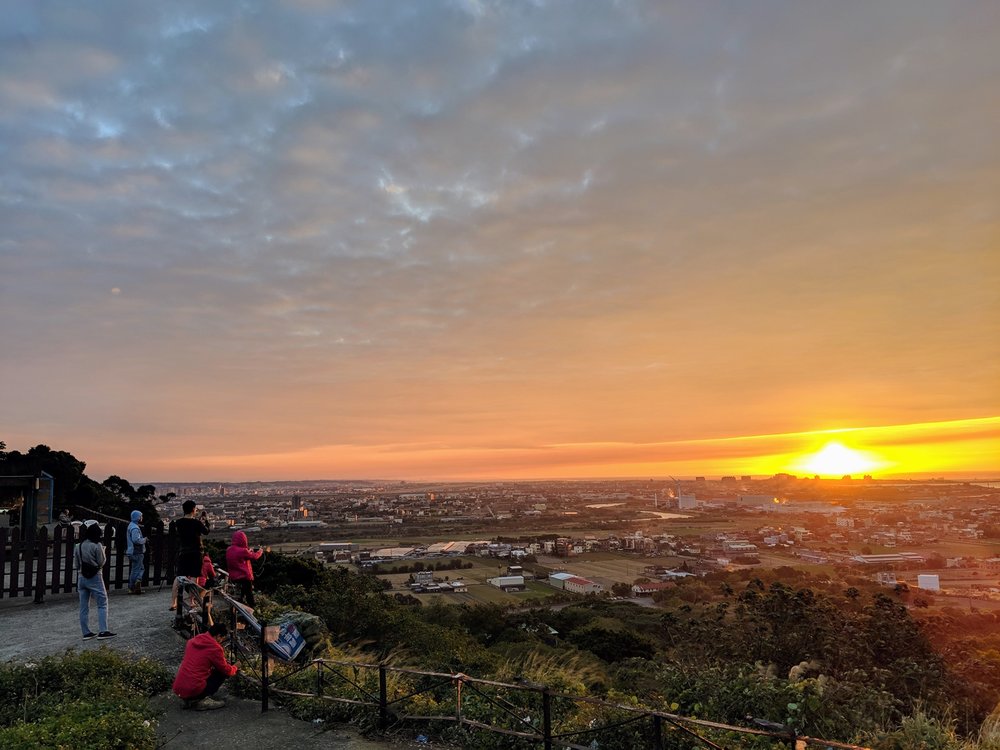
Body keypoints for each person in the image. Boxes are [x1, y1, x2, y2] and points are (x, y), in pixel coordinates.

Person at [172, 622, 238, 711]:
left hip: (179, 688)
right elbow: (226, 670)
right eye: (222, 638)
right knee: (222, 673)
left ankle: (188, 700)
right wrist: (235, 667)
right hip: (194, 689)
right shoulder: (215, 648)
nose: (221, 641)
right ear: (218, 636)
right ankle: (199, 700)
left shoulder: (192, 641)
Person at [75, 521, 116, 640]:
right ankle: (103, 631)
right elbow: (101, 562)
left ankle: (86, 632)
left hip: (81, 577)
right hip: (95, 577)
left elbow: (76, 564)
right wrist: (103, 550)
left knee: (83, 607)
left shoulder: (79, 546)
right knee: (102, 603)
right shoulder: (97, 545)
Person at [171, 500, 211, 611]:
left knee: (179, 577)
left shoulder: (178, 522)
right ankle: (191, 600)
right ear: (193, 509)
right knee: (194, 577)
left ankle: (173, 602)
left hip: (183, 551)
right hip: (196, 552)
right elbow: (206, 531)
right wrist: (205, 520)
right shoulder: (196, 523)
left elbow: (186, 529)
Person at [226, 530, 264, 608]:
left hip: (234, 576)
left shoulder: (229, 549)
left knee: (240, 594)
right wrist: (260, 551)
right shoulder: (243, 551)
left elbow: (240, 555)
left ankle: (239, 606)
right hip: (244, 576)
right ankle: (252, 609)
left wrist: (248, 550)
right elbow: (254, 556)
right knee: (249, 593)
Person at [126, 510, 148, 594]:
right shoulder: (135, 528)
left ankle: (134, 585)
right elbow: (136, 540)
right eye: (140, 516)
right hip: (136, 552)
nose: (141, 518)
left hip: (132, 551)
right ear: (137, 518)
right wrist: (144, 540)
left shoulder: (131, 525)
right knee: (137, 569)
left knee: (137, 569)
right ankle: (135, 585)